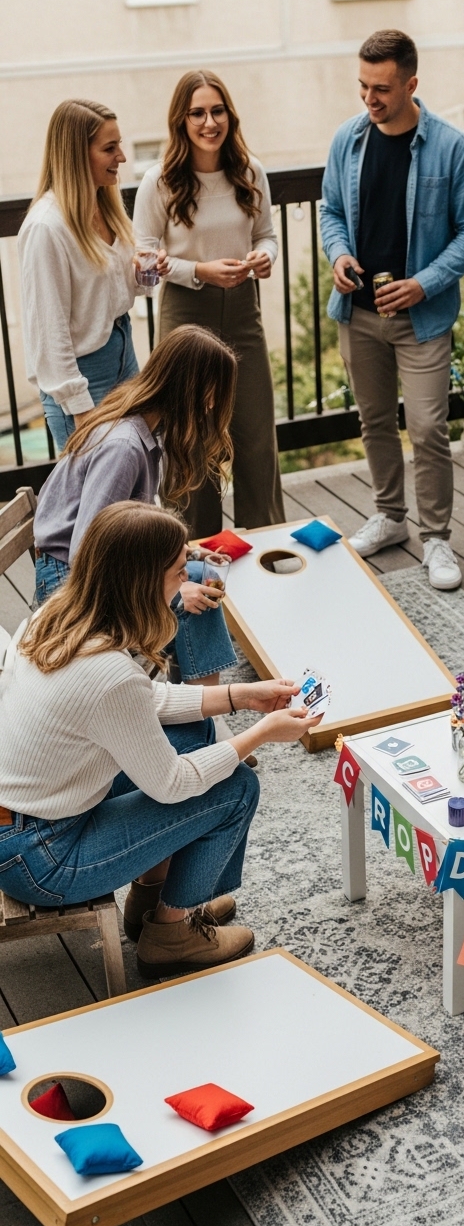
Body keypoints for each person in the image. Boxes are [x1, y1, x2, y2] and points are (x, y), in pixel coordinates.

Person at [0, 501, 319, 976]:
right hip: (42, 860)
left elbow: (143, 701)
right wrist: (262, 734)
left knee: (195, 734)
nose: (185, 578)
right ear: (143, 582)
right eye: (177, 571)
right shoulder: (109, 674)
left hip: (27, 821)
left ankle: (152, 898)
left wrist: (241, 697)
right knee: (235, 787)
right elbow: (170, 784)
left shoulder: (54, 617)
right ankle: (172, 934)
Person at [320, 29, 464, 591]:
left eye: (382, 88)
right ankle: (390, 516)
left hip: (421, 318)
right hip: (358, 313)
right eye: (363, 86)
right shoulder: (347, 140)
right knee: (373, 422)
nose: (369, 98)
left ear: (411, 84)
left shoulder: (452, 147)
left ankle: (435, 536)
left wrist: (424, 284)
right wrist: (339, 254)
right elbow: (330, 212)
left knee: (427, 428)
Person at [33, 324, 239, 687]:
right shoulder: (124, 447)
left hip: (87, 569)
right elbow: (86, 553)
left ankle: (200, 709)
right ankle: (198, 714)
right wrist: (171, 596)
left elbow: (130, 531)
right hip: (71, 582)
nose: (211, 406)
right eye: (211, 394)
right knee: (190, 597)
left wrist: (187, 556)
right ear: (189, 387)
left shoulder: (143, 430)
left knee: (198, 581)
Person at [133, 69, 284, 536]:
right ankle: (193, 553)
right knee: (190, 442)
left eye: (217, 111)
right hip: (185, 316)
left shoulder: (250, 171)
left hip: (243, 311)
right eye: (197, 113)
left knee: (255, 436)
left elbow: (267, 235)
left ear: (229, 115)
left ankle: (265, 545)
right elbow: (144, 256)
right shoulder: (159, 181)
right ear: (181, 120)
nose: (209, 122)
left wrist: (265, 257)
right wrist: (198, 271)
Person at [18, 99, 153, 452]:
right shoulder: (47, 227)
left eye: (119, 145)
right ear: (76, 155)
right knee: (98, 486)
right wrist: (79, 407)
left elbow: (113, 290)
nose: (122, 156)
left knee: (138, 478)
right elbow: (49, 332)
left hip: (124, 357)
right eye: (110, 148)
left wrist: (146, 274)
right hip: (82, 379)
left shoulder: (104, 206)